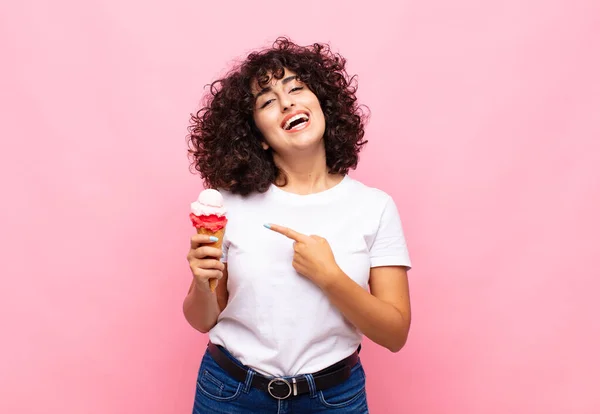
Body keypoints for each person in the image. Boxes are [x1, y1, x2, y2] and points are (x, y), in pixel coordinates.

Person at [183, 37, 412, 414]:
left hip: (333, 398)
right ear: (259, 137)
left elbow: (395, 334)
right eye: (268, 101)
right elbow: (202, 319)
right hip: (230, 393)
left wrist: (330, 277)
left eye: (296, 89)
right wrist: (201, 282)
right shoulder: (229, 205)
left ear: (323, 105)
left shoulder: (374, 207)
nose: (287, 102)